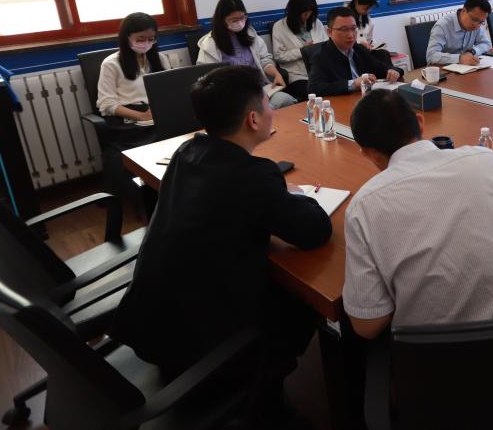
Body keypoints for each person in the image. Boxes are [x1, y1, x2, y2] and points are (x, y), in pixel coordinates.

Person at [110, 65, 332, 421]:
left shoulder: (187, 152)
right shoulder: (254, 177)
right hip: (200, 347)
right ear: (253, 120)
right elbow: (316, 231)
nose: (270, 107)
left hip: (149, 323)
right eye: (266, 102)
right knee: (304, 298)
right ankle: (267, 390)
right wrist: (297, 195)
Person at [342, 89, 493, 338]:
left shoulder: (363, 207)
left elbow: (367, 326)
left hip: (433, 358)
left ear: (368, 152)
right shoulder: (485, 159)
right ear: (420, 122)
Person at [96, 12, 171, 201]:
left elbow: (169, 89)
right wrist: (141, 116)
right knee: (152, 146)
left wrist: (162, 109)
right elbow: (106, 104)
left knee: (185, 137)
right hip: (128, 119)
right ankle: (154, 192)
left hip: (156, 113)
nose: (146, 43)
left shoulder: (160, 58)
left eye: (151, 39)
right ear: (126, 37)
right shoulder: (111, 64)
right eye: (140, 39)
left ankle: (174, 186)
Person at [197, 0, 298, 109]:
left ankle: (264, 112)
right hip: (231, 96)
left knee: (285, 99)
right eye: (234, 20)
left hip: (259, 90)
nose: (240, 22)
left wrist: (276, 74)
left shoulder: (251, 35)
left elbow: (265, 60)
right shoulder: (209, 45)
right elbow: (207, 78)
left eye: (242, 18)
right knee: (256, 110)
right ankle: (263, 112)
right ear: (222, 21)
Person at [308, 6, 401, 96]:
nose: (350, 35)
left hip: (365, 99)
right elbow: (314, 88)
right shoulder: (320, 57)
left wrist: (393, 71)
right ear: (329, 32)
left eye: (353, 28)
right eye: (344, 30)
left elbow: (381, 67)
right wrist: (353, 84)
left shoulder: (359, 49)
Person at [270, 0, 326, 102]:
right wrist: (302, 51)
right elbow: (279, 56)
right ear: (294, 11)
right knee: (314, 93)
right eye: (304, 13)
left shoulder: (316, 23)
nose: (307, 16)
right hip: (297, 75)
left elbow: (327, 45)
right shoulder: (279, 27)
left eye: (310, 12)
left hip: (320, 71)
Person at [425, 0, 493, 66]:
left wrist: (472, 51)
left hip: (465, 69)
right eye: (474, 19)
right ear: (464, 11)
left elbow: (486, 44)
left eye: (481, 22)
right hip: (443, 69)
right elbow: (431, 56)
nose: (476, 25)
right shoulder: (442, 26)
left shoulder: (477, 25)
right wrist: (460, 58)